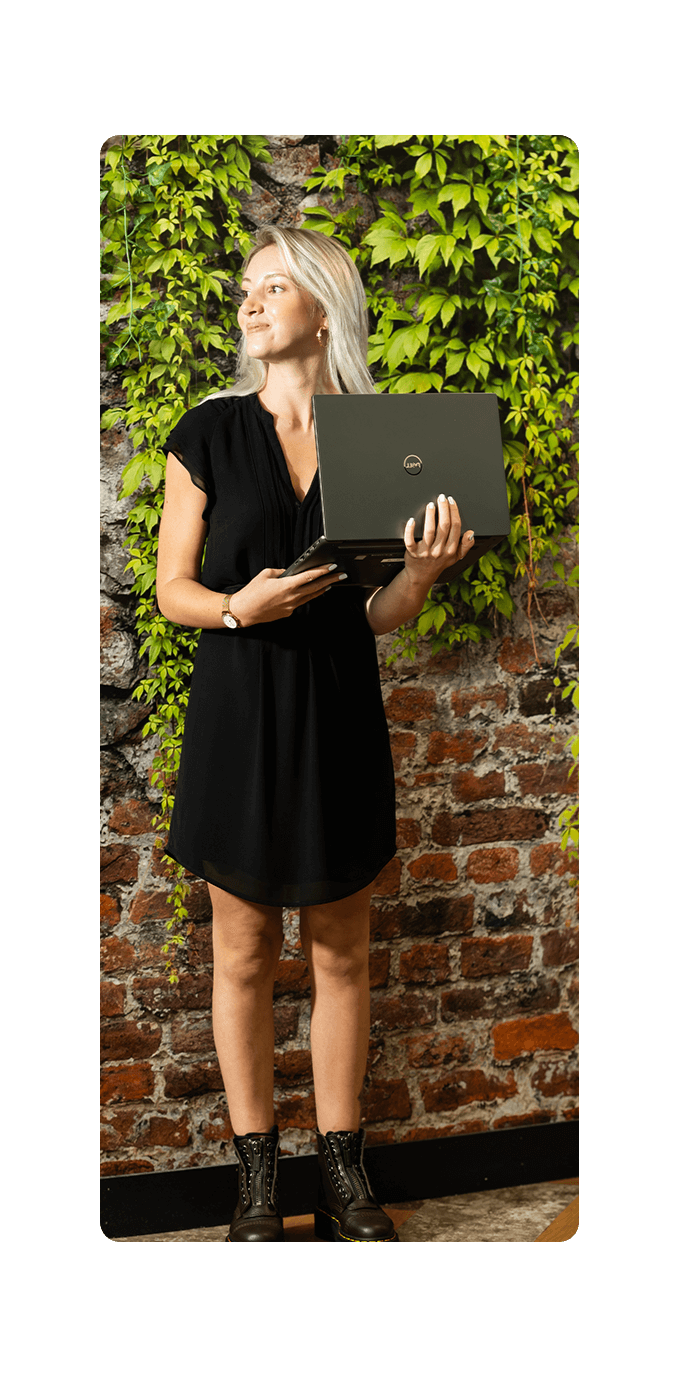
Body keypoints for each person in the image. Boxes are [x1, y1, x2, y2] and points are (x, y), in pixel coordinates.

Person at [156, 226, 475, 1243]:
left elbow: (378, 614)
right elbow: (173, 591)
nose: (249, 303)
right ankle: (257, 1179)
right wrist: (241, 605)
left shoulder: (379, 440)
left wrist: (420, 574)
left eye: (272, 286)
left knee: (342, 954)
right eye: (244, 290)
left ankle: (343, 1174)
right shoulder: (205, 433)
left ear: (323, 305)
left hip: (338, 712)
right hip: (237, 717)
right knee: (242, 955)